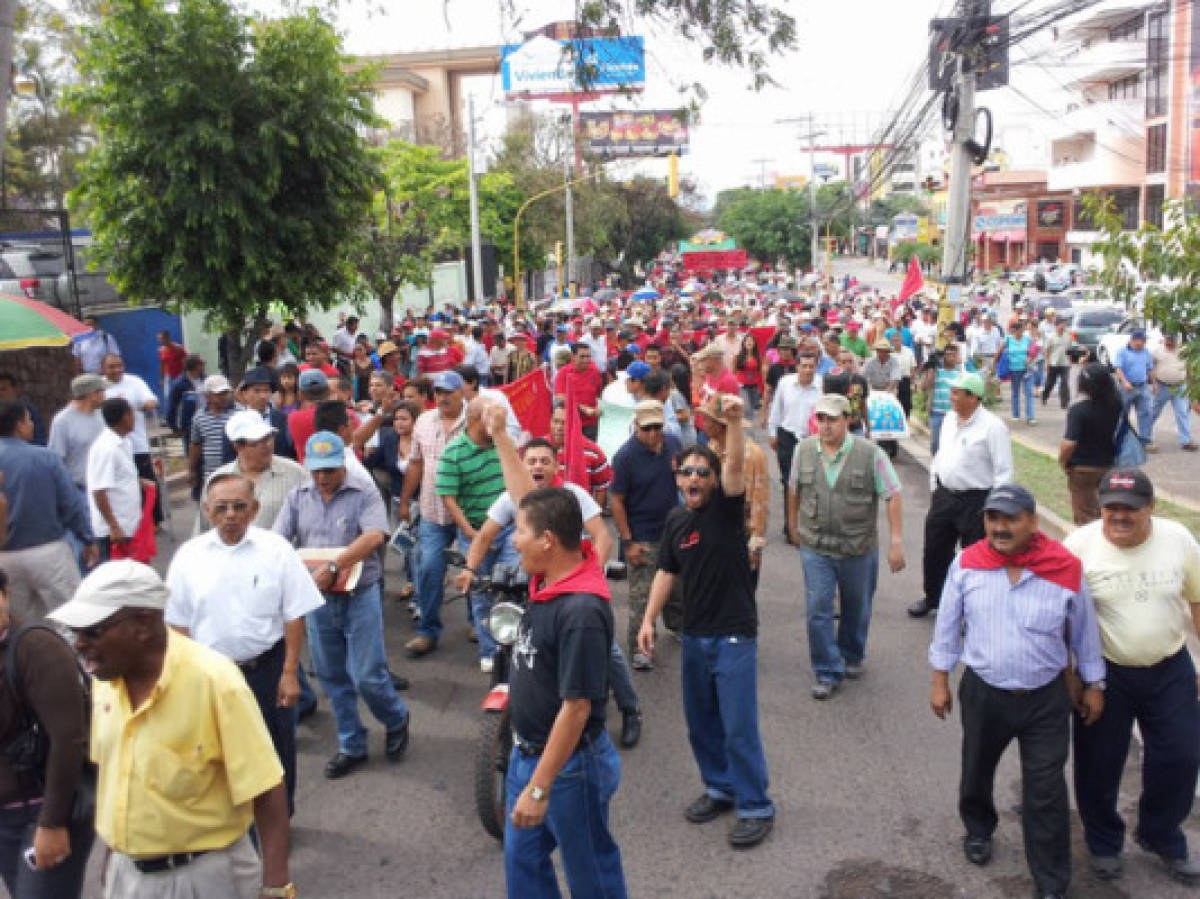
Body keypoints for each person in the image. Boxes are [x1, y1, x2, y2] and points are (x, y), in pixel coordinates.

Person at [50, 560, 293, 898]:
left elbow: (266, 789)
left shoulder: (215, 683)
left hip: (203, 879)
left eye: (93, 631)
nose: (78, 643)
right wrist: (117, 855)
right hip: (126, 875)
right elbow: (118, 776)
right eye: (75, 632)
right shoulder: (105, 680)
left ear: (144, 623)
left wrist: (277, 888)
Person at [928, 484, 1105, 899]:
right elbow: (948, 625)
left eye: (1010, 519)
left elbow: (1084, 634)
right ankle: (978, 827)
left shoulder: (1064, 568)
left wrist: (1094, 684)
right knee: (976, 768)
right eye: (993, 518)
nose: (1000, 528)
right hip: (984, 692)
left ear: (1033, 522)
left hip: (1045, 698)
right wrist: (939, 679)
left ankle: (1051, 882)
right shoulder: (967, 565)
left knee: (1046, 792)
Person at [637, 395, 775, 849]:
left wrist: (735, 422)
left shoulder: (726, 506)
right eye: (687, 473)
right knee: (701, 723)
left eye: (702, 472)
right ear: (677, 479)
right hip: (694, 636)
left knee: (737, 725)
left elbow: (734, 467)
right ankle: (720, 788)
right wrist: (648, 620)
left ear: (712, 481)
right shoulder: (677, 520)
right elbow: (666, 570)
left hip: (734, 634)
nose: (694, 478)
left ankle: (756, 805)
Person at [1064, 469, 1200, 886]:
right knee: (1099, 763)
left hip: (1170, 666)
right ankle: (1104, 841)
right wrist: (1079, 684)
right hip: (1105, 672)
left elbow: (1197, 599)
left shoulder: (1178, 540)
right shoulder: (1078, 547)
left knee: (1181, 755)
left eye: (1130, 508)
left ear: (1151, 509)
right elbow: (1060, 621)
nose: (1119, 516)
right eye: (1111, 507)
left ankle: (1160, 833)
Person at [167, 473, 324, 813]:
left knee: (276, 748)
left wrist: (289, 672)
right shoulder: (188, 557)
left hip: (266, 669)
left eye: (239, 507)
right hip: (210, 675)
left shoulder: (276, 550)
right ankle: (234, 823)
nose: (230, 515)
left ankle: (280, 820)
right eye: (221, 508)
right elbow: (177, 624)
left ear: (254, 509)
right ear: (207, 511)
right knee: (217, 752)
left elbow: (294, 614)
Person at [504, 487, 628, 898]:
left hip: (568, 770)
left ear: (547, 540)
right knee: (523, 867)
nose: (512, 540)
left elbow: (576, 708)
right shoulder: (546, 581)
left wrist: (539, 788)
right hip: (528, 756)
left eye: (519, 531)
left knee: (591, 877)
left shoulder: (581, 612)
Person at [273, 432, 410, 779]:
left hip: (359, 594)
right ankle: (352, 743)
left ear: (342, 464)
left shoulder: (364, 493)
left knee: (368, 675)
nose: (323, 478)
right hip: (317, 600)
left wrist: (336, 565)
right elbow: (278, 540)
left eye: (330, 470)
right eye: (317, 470)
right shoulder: (297, 497)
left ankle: (395, 717)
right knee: (332, 675)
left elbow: (375, 535)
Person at [787, 392, 905, 699]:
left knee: (857, 605)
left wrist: (896, 541)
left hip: (857, 548)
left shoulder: (870, 454)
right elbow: (793, 489)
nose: (825, 426)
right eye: (820, 419)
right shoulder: (803, 449)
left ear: (847, 421)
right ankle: (827, 670)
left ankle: (852, 653)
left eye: (832, 420)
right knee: (818, 608)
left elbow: (892, 494)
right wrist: (792, 526)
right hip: (816, 546)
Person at [0, 568, 94, 897]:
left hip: (41, 810)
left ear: (6, 596)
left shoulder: (37, 647)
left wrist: (52, 822)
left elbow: (68, 739)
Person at [909, 372, 1014, 619]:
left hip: (976, 501)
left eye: (956, 393)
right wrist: (935, 484)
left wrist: (995, 511)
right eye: (951, 391)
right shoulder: (948, 419)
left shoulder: (993, 427)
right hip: (945, 496)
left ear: (973, 397)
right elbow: (940, 454)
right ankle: (933, 597)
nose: (951, 397)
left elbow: (1004, 471)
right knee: (935, 549)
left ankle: (971, 609)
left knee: (973, 557)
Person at [0, 401, 97, 620]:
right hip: (48, 552)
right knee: (70, 620)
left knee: (21, 627)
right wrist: (86, 538)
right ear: (19, 425)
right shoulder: (45, 457)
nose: (32, 424)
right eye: (28, 420)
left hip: (4, 558)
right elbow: (71, 504)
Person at [434, 397, 508, 670]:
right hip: (475, 531)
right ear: (477, 419)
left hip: (508, 531)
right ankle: (490, 651)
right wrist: (472, 533)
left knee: (514, 587)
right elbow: (449, 499)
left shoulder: (503, 445)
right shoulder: (453, 453)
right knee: (480, 592)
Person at [401, 370, 467, 659]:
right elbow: (416, 464)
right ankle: (428, 630)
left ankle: (481, 625)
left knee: (476, 571)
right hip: (431, 510)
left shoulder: (475, 421)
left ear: (461, 392)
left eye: (448, 392)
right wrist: (405, 501)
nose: (442, 397)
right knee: (428, 569)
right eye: (438, 392)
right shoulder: (424, 422)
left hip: (469, 511)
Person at [610, 400, 681, 670]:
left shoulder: (673, 444)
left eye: (657, 427)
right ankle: (640, 648)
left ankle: (678, 626)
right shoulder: (625, 456)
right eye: (647, 428)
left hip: (673, 531)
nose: (653, 433)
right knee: (642, 597)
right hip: (643, 536)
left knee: (678, 589)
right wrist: (628, 541)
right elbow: (616, 501)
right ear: (636, 426)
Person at [699, 394, 770, 590]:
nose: (704, 424)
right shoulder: (710, 448)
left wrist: (755, 542)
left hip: (741, 532)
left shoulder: (753, 454)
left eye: (708, 420)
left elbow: (760, 499)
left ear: (721, 425)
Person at [1058, 362, 1121, 526]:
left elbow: (1069, 443)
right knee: (1106, 509)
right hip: (1108, 463)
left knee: (1085, 515)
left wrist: (1063, 461)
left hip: (1082, 467)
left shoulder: (1079, 410)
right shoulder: (1116, 406)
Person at [101, 354, 161, 523]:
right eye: (112, 367)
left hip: (137, 444)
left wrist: (145, 404)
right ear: (103, 369)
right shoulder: (100, 387)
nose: (117, 370)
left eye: (119, 365)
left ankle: (153, 520)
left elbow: (151, 400)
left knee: (147, 483)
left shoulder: (134, 381)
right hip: (113, 446)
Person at [86, 398, 145, 562]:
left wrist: (141, 482)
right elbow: (99, 491)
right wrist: (114, 526)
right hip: (114, 531)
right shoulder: (106, 448)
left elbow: (120, 476)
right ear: (125, 417)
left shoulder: (124, 441)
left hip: (129, 524)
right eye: (132, 414)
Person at [767, 353, 820, 524]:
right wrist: (772, 432)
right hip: (787, 436)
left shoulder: (821, 385)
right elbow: (776, 409)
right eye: (804, 366)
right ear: (797, 367)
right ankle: (790, 526)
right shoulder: (785, 383)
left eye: (811, 366)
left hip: (812, 440)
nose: (807, 370)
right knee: (789, 481)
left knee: (809, 482)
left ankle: (807, 523)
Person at [48, 373, 106, 508]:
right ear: (92, 394)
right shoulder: (62, 421)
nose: (104, 396)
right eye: (101, 392)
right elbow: (56, 459)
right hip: (79, 491)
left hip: (104, 487)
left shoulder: (102, 415)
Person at [188, 375, 236, 496]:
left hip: (235, 473)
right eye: (219, 393)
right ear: (207, 396)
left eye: (226, 392)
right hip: (211, 474)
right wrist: (192, 470)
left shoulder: (239, 413)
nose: (224, 397)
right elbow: (196, 445)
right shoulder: (199, 418)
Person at [1150, 333, 1198, 452]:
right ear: (1164, 339)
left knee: (1182, 413)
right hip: (1162, 386)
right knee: (1153, 412)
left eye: (1172, 340)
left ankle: (1186, 441)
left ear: (1177, 340)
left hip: (1180, 386)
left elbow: (1189, 368)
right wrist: (1154, 384)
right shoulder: (1157, 351)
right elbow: (1150, 367)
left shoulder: (1184, 351)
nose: (1169, 342)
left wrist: (1191, 387)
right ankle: (1145, 437)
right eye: (1168, 339)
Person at [1112, 329, 1155, 450]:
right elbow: (1118, 369)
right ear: (1132, 340)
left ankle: (1145, 440)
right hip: (1126, 387)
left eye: (1144, 341)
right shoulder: (1122, 352)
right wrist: (1125, 382)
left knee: (1145, 413)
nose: (1141, 343)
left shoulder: (1146, 352)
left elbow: (1150, 369)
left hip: (1142, 386)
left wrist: (1154, 384)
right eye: (1140, 341)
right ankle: (1119, 440)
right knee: (1122, 413)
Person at [554, 343, 605, 440]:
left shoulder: (595, 371)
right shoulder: (563, 373)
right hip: (570, 423)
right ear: (573, 357)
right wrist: (584, 409)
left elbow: (598, 394)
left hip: (591, 424)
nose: (586, 360)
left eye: (588, 356)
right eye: (582, 357)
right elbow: (561, 399)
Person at [240, 367, 293, 459]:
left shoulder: (282, 418)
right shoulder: (237, 422)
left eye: (266, 390)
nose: (263, 396)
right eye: (257, 391)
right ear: (245, 394)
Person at [922, 343, 965, 457]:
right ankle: (936, 464)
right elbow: (925, 387)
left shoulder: (960, 372)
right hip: (937, 412)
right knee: (935, 442)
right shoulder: (937, 371)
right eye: (948, 355)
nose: (951, 357)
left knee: (952, 442)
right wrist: (931, 371)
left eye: (953, 355)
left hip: (953, 413)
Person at [0, 375, 45, 447]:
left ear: (16, 390)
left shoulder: (29, 410)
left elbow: (39, 440)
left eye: (3, 389)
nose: (0, 393)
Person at [1041, 318, 1071, 409]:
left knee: (1064, 382)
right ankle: (1044, 396)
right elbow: (1046, 350)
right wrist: (1047, 362)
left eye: (1064, 325)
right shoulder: (1051, 337)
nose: (1063, 327)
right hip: (1053, 363)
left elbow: (1069, 349)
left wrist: (1070, 360)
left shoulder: (1067, 336)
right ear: (1056, 326)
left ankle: (1064, 403)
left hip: (1064, 363)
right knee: (1050, 383)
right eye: (1061, 325)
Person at [733, 333, 764, 415]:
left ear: (754, 343)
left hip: (754, 386)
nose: (749, 342)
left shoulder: (758, 357)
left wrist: (761, 389)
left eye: (751, 341)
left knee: (753, 410)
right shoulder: (738, 357)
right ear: (744, 343)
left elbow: (760, 373)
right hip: (742, 386)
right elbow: (734, 372)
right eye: (747, 340)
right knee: (747, 410)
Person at [157, 330, 187, 399]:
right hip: (168, 377)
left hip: (178, 376)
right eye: (159, 339)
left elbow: (186, 361)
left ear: (167, 338)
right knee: (168, 396)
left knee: (180, 396)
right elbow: (162, 365)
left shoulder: (178, 348)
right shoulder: (161, 350)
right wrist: (161, 378)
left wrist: (185, 375)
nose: (161, 341)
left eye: (162, 339)